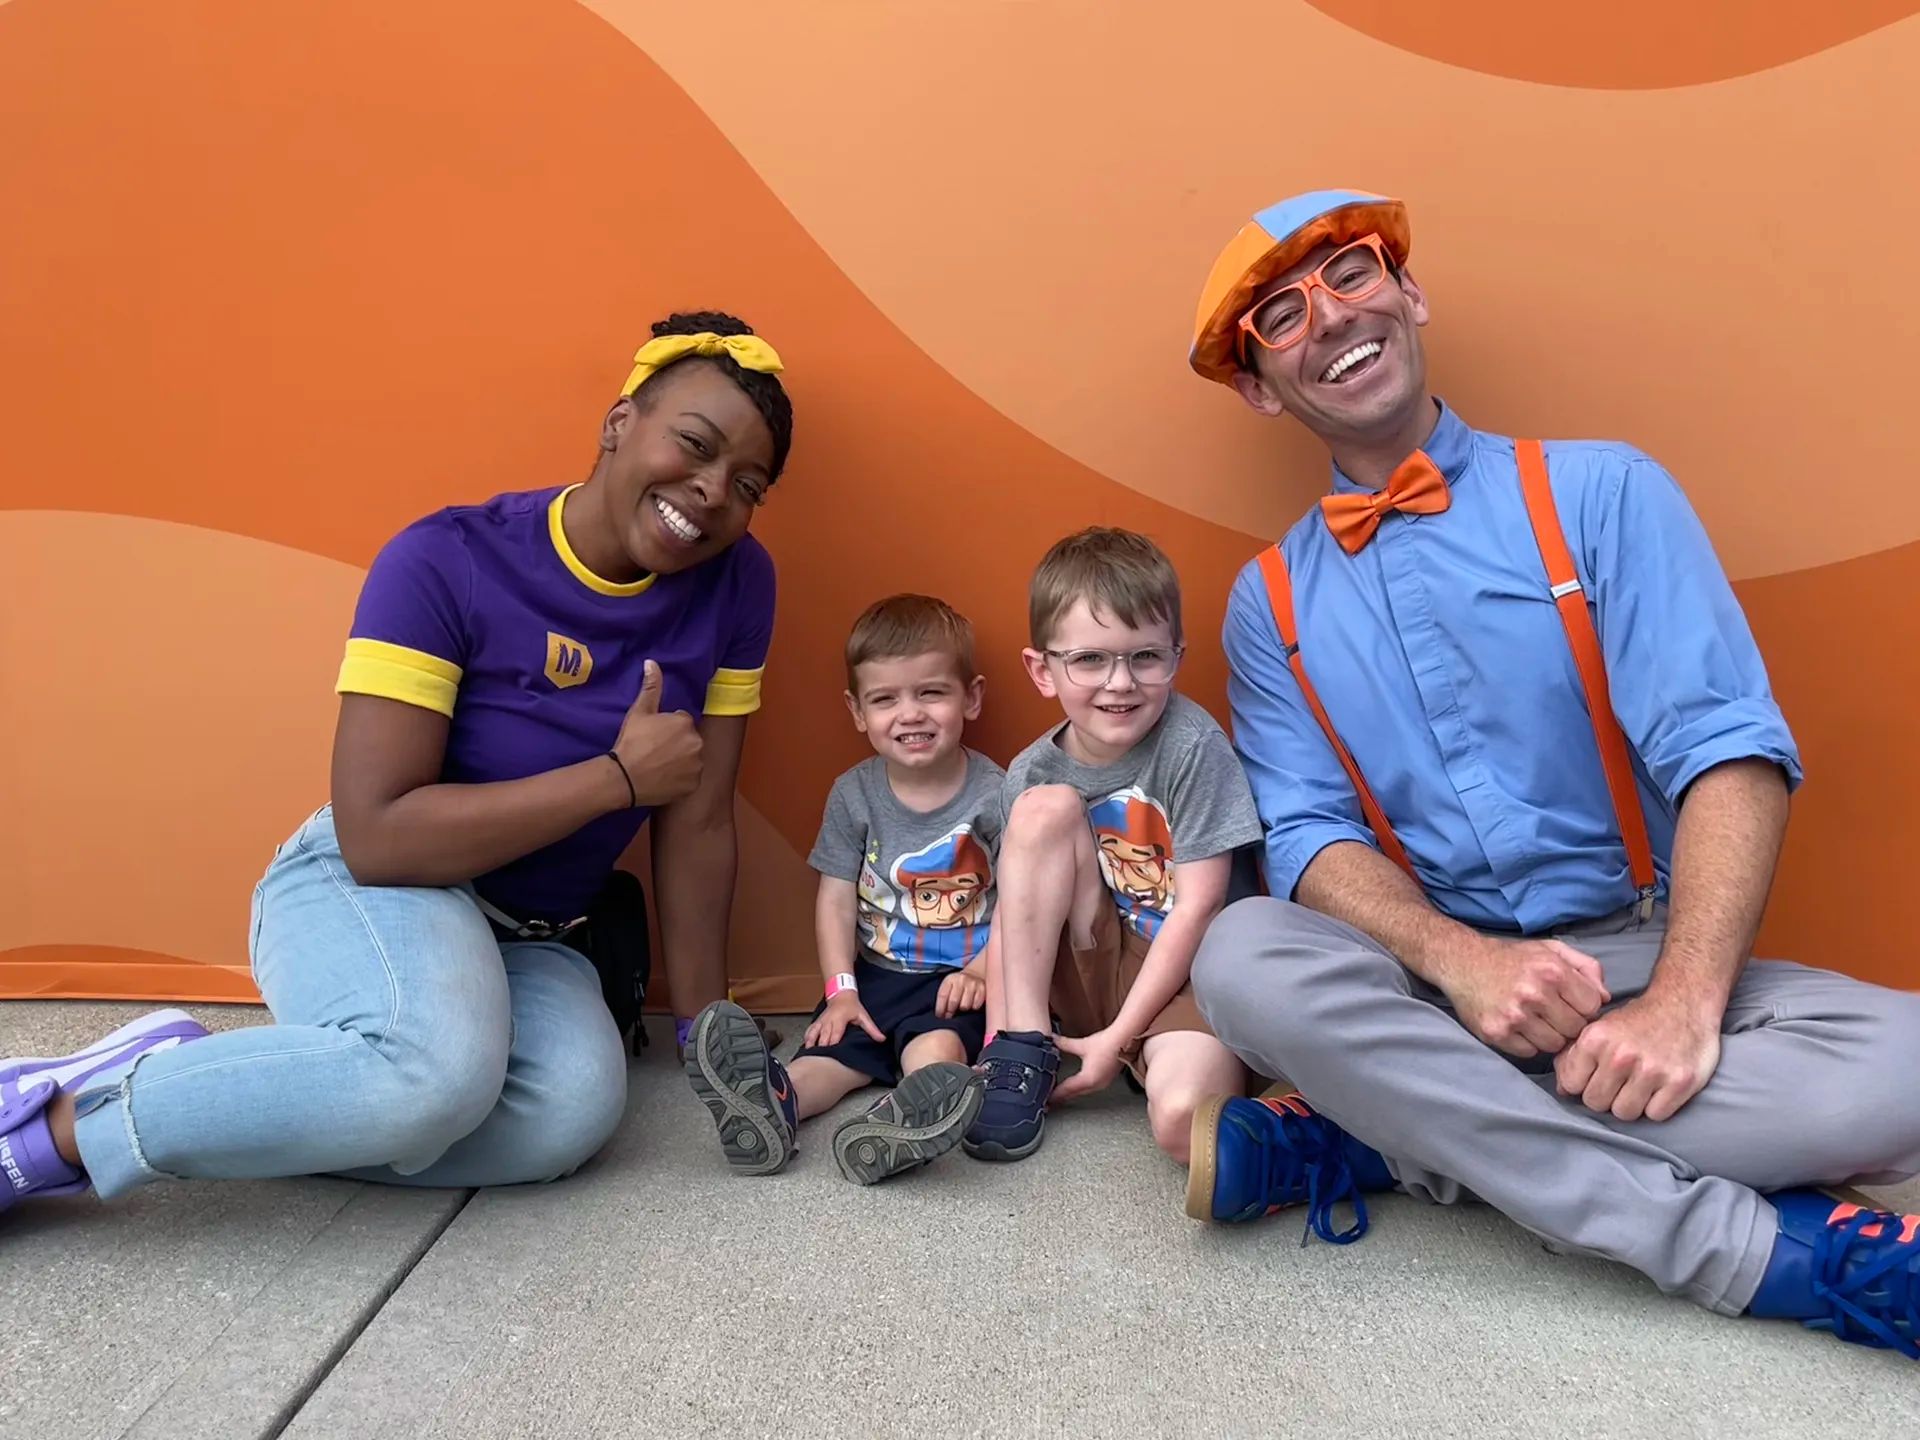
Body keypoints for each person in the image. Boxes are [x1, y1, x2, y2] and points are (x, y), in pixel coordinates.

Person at [1178, 188, 1920, 1358]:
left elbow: (1729, 748)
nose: (1327, 318)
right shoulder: (1267, 603)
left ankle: (1388, 1135)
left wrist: (1679, 1005)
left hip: (1642, 950)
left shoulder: (1605, 492)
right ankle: (1768, 1255)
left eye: (1352, 275)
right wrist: (1460, 960)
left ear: (1410, 292)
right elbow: (1311, 836)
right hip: (1427, 985)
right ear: (1264, 386)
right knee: (1240, 952)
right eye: (1282, 314)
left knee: (1908, 1074)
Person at [1, 311, 792, 1211]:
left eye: (748, 484)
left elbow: (700, 819)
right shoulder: (446, 560)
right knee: (435, 1081)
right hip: (375, 889)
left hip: (534, 938)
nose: (712, 491)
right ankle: (57, 1127)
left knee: (567, 1117)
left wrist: (704, 1029)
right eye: (694, 444)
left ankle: (220, 1083)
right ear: (619, 423)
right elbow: (377, 836)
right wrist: (613, 782)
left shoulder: (740, 583)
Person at [962, 528, 1265, 1172]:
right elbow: (1015, 920)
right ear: (1042, 670)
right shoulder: (1032, 770)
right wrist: (996, 1038)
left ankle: (1279, 1100)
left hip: (1189, 975)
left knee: (1185, 1118)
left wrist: (1118, 1040)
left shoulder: (1192, 748)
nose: (1120, 683)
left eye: (1145, 657)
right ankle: (1023, 1050)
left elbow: (1199, 907)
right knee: (1042, 809)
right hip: (1092, 962)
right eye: (1090, 660)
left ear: (1176, 656)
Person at [684, 595, 994, 1185]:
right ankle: (767, 1108)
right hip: (871, 980)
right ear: (857, 711)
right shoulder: (853, 794)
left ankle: (895, 1126)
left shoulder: (995, 795)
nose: (910, 714)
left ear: (971, 697)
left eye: (931, 692)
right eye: (885, 699)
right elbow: (835, 898)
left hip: (956, 986)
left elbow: (1023, 904)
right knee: (824, 1061)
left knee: (935, 1056)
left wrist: (982, 970)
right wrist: (841, 990)